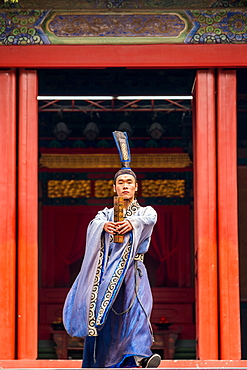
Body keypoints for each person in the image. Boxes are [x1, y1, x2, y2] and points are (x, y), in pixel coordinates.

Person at [63, 132, 161, 368]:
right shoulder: (104, 214)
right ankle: (103, 360)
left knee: (137, 309)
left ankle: (140, 355)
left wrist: (133, 223)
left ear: (136, 187)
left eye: (129, 183)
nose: (125, 186)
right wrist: (103, 227)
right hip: (107, 274)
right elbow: (93, 227)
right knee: (105, 317)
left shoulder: (145, 211)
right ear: (114, 187)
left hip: (134, 272)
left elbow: (149, 219)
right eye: (121, 183)